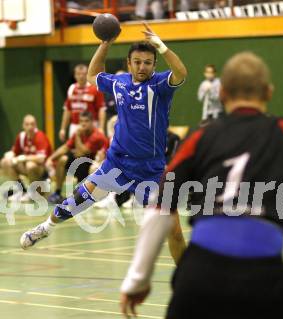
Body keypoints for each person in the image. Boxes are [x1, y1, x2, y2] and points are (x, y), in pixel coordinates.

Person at [120, 52, 283, 319]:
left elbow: (160, 204)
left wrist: (136, 279)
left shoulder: (201, 137)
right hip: (264, 276)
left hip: (201, 275)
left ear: (223, 94)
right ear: (269, 92)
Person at [20, 23, 187, 264]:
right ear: (129, 64)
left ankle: (185, 280)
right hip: (117, 164)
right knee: (79, 199)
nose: (142, 67)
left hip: (152, 170)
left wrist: (160, 45)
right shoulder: (119, 84)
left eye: (148, 62)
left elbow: (181, 72)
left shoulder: (160, 86)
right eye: (137, 62)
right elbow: (92, 75)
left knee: (175, 232)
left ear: (154, 65)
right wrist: (105, 43)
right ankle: (45, 228)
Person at [47, 111, 109, 204]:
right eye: (81, 121)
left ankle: (90, 192)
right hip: (83, 164)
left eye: (86, 121)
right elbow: (65, 147)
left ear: (92, 122)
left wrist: (78, 137)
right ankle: (57, 192)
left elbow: (82, 152)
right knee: (62, 159)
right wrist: (50, 159)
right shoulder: (79, 133)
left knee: (80, 158)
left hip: (97, 168)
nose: (83, 124)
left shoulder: (96, 136)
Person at [1, 114, 52, 202]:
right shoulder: (21, 136)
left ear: (35, 125)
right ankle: (21, 190)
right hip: (27, 168)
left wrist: (24, 157)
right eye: (27, 124)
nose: (30, 127)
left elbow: (41, 159)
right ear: (23, 126)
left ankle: (33, 192)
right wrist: (9, 155)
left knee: (30, 165)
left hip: (43, 171)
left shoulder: (40, 136)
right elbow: (14, 152)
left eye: (32, 124)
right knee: (5, 162)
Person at [59, 63, 106, 142]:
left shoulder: (94, 88)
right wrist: (63, 128)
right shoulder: (71, 88)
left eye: (84, 74)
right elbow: (67, 110)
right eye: (78, 74)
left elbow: (101, 109)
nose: (81, 76)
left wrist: (101, 128)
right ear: (75, 75)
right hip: (75, 125)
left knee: (91, 150)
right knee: (76, 152)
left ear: (87, 75)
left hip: (92, 125)